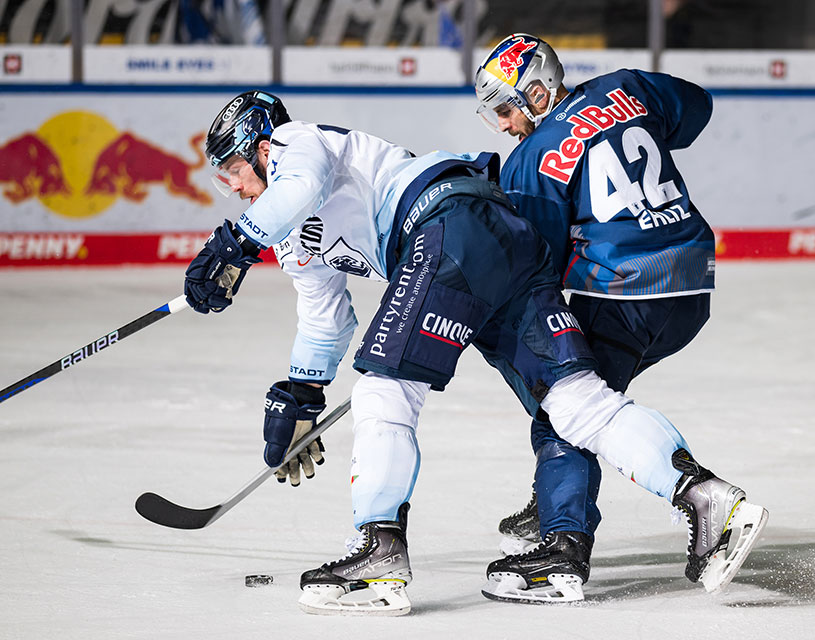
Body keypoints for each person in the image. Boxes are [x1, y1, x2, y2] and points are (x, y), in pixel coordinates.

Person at [183, 90, 768, 616]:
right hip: (500, 241)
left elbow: (300, 185)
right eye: (221, 180)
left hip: (447, 224)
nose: (232, 188)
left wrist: (234, 243)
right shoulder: (285, 232)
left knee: (385, 388)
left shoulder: (297, 142)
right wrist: (301, 391)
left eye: (234, 169)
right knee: (573, 401)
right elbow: (325, 317)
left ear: (263, 147)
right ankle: (710, 502)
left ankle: (379, 552)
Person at [474, 33, 720, 600]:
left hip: (624, 295)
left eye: (508, 109)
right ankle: (558, 492)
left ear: (537, 92)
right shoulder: (629, 85)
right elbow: (697, 108)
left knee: (566, 406)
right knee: (589, 393)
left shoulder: (531, 160)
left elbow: (539, 268)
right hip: (691, 282)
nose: (507, 125)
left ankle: (564, 544)